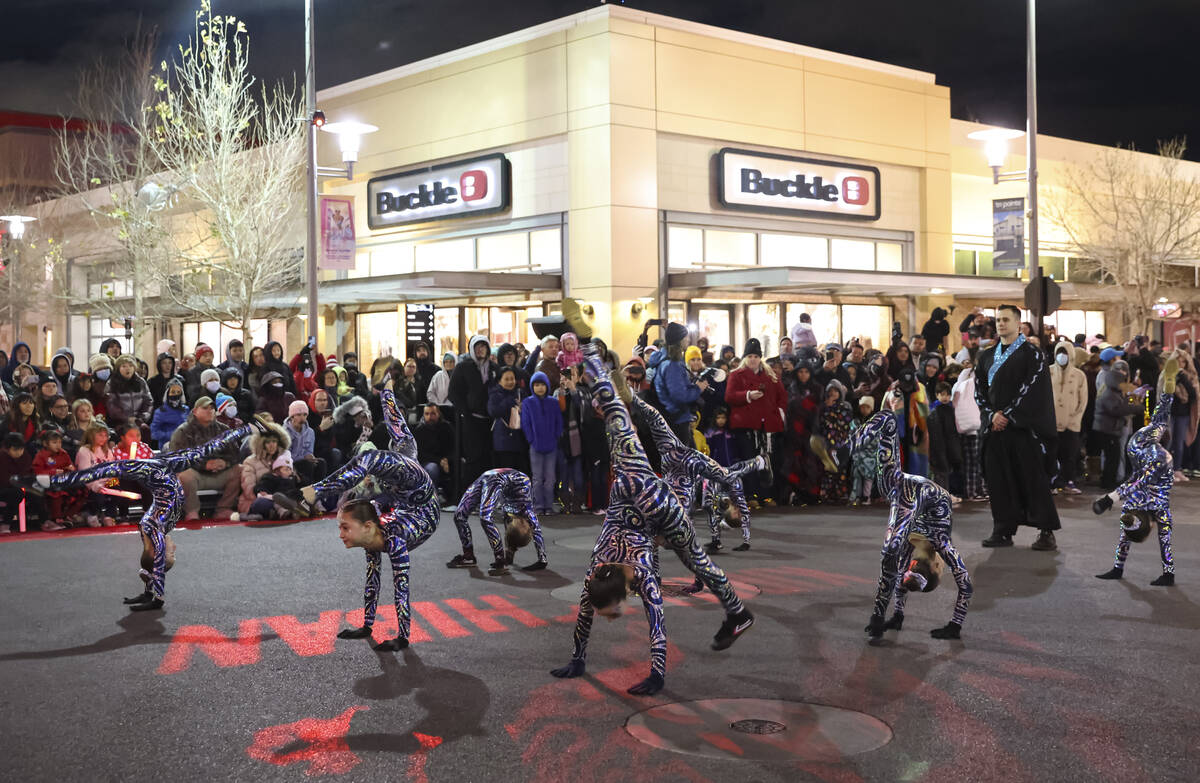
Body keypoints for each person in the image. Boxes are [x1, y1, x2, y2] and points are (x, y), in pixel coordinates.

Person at [550, 346, 754, 698]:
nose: (619, 611)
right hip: (636, 490)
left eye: (616, 607)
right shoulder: (598, 570)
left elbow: (656, 619)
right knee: (617, 417)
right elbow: (611, 400)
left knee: (695, 560)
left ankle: (738, 613)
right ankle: (736, 612)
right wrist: (590, 353)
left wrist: (658, 674)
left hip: (662, 508)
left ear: (625, 588)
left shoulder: (635, 571)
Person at [13, 418, 266, 609]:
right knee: (149, 525)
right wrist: (248, 429)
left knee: (150, 528)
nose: (174, 549)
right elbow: (214, 445)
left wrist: (38, 482)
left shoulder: (153, 515)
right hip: (164, 489)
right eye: (172, 552)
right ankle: (152, 591)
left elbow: (86, 476)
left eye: (171, 552)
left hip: (165, 495)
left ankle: (155, 593)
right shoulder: (154, 490)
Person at [852, 408, 972, 640]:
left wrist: (897, 615)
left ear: (937, 567)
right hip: (918, 494)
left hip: (910, 492)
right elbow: (965, 586)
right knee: (891, 555)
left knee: (893, 558)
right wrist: (954, 625)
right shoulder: (940, 542)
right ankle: (878, 615)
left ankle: (882, 616)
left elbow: (963, 583)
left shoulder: (921, 545)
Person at [975, 304, 1061, 550]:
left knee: (1033, 480)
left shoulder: (1032, 354)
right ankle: (1002, 529)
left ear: (1017, 323)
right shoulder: (987, 356)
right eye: (998, 320)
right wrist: (992, 415)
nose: (1001, 324)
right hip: (995, 429)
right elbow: (979, 391)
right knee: (998, 481)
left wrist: (1009, 415)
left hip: (1024, 430)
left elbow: (1033, 388)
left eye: (1005, 320)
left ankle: (1046, 531)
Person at [1092, 356, 1179, 586]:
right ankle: (1167, 392)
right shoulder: (1160, 459)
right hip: (1142, 453)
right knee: (1160, 423)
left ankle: (1119, 569)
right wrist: (1110, 498)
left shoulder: (1160, 458)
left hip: (1140, 453)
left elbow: (1136, 481)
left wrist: (1111, 498)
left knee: (1160, 423)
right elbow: (1136, 481)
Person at [330, 493, 439, 651]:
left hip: (427, 511)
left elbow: (402, 588)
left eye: (345, 528)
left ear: (367, 527)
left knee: (399, 583)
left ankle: (403, 635)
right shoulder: (370, 536)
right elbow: (372, 581)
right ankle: (368, 625)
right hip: (396, 513)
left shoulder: (395, 539)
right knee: (372, 574)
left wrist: (402, 638)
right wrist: (366, 627)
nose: (341, 535)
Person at [447, 468, 548, 570]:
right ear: (528, 526)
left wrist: (509, 552)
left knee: (478, 517)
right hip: (497, 478)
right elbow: (537, 532)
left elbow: (508, 526)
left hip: (493, 478)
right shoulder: (528, 512)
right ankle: (480, 558)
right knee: (460, 516)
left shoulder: (511, 516)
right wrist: (542, 560)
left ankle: (491, 557)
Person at [725, 338, 785, 506]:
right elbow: (729, 396)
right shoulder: (736, 375)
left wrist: (778, 413)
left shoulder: (770, 375)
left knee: (766, 461)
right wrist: (747, 395)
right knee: (749, 461)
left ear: (760, 358)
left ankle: (766, 495)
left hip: (766, 427)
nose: (753, 359)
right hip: (745, 426)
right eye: (750, 356)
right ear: (745, 357)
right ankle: (751, 495)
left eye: (756, 356)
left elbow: (782, 396)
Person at [169, 396, 244, 521]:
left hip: (220, 473)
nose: (210, 411)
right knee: (184, 474)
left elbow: (235, 454)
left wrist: (224, 463)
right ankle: (192, 511)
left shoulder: (224, 429)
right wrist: (204, 464)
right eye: (205, 408)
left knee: (240, 469)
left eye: (212, 408)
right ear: (195, 411)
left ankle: (224, 508)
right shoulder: (183, 431)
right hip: (196, 475)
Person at [448, 335, 496, 491]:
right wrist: (466, 412)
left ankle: (487, 494)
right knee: (473, 459)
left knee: (488, 458)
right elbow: (453, 392)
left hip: (491, 421)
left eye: (484, 346)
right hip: (471, 421)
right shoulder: (463, 367)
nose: (481, 349)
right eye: (477, 346)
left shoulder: (494, 368)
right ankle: (470, 495)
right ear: (472, 349)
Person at [648, 322, 708, 445]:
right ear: (679, 340)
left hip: (671, 418)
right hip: (676, 420)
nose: (688, 339)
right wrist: (697, 389)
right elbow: (679, 395)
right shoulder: (672, 365)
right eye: (686, 337)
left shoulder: (665, 361)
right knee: (685, 461)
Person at [521, 371, 561, 516]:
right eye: (536, 385)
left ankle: (548, 506)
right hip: (535, 446)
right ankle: (538, 506)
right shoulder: (527, 403)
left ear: (547, 386)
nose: (539, 388)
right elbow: (525, 423)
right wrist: (531, 439)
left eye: (542, 384)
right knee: (537, 478)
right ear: (532, 386)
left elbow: (558, 422)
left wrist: (556, 436)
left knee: (550, 478)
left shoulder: (553, 402)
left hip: (551, 446)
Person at [1050, 341, 1088, 494]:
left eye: (1065, 353)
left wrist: (1075, 419)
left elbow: (1082, 400)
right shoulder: (1049, 372)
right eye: (1059, 352)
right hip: (1051, 422)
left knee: (1069, 454)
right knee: (1052, 454)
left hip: (1071, 422)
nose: (1062, 356)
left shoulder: (1079, 375)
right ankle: (1052, 482)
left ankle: (1067, 482)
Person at [32, 427, 86, 529]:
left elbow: (70, 466)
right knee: (56, 492)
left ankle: (67, 515)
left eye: (60, 442)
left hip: (64, 481)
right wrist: (52, 472)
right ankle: (55, 519)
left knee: (83, 488)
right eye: (54, 442)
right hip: (48, 483)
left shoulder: (63, 453)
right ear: (45, 444)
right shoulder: (41, 456)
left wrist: (71, 469)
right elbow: (37, 471)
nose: (58, 445)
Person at [951, 361, 987, 502]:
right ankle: (978, 491)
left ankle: (971, 490)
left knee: (970, 463)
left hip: (964, 429)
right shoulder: (973, 385)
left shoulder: (959, 385)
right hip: (976, 428)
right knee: (978, 462)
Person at [74, 420, 119, 527]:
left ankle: (109, 515)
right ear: (91, 435)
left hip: (105, 482)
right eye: (100, 435)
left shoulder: (107, 450)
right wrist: (95, 485)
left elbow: (112, 468)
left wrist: (112, 480)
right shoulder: (84, 451)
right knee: (98, 496)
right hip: (88, 484)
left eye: (105, 435)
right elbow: (84, 473)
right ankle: (92, 514)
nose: (103, 438)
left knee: (117, 491)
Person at [487, 366, 527, 472]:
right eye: (507, 379)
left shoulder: (520, 393)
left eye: (512, 378)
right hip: (503, 441)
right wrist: (509, 401)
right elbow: (493, 411)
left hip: (519, 440)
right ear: (499, 381)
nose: (510, 382)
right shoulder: (495, 394)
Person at [927, 382, 962, 500]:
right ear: (937, 395)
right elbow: (937, 435)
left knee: (944, 472)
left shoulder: (949, 410)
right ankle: (942, 497)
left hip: (947, 447)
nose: (945, 397)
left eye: (947, 394)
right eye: (942, 394)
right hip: (939, 448)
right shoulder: (935, 412)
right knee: (941, 473)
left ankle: (943, 496)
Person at [0, 432, 41, 533]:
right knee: (17, 493)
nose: (19, 452)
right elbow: (4, 479)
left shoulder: (25, 456)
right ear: (7, 448)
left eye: (21, 449)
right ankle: (6, 523)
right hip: (3, 488)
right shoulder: (1, 457)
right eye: (15, 450)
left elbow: (28, 473)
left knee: (38, 490)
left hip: (19, 485)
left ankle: (45, 521)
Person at [105, 355, 154, 435]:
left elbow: (148, 402)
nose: (128, 369)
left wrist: (140, 418)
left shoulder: (141, 382)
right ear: (118, 368)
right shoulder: (111, 383)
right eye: (124, 366)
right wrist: (126, 419)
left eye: (131, 366)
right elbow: (111, 405)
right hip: (119, 422)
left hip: (138, 421)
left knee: (145, 430)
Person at [414, 404, 452, 502]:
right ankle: (431, 498)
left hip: (446, 459)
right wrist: (439, 461)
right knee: (432, 468)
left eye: (433, 414)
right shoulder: (419, 430)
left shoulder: (447, 427)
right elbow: (420, 454)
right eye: (427, 414)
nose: (429, 417)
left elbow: (454, 447)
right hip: (428, 461)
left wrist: (447, 459)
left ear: (438, 414)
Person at [284, 399, 326, 484]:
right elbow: (285, 456)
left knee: (321, 462)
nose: (302, 418)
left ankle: (320, 489)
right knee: (307, 465)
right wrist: (304, 458)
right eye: (298, 415)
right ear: (292, 417)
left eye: (305, 415)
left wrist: (310, 455)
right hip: (291, 463)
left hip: (304, 461)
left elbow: (309, 450)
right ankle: (307, 491)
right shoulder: (284, 433)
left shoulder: (310, 432)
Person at [150, 378, 189, 449]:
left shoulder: (185, 409)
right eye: (173, 392)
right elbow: (154, 433)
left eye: (178, 392)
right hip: (167, 446)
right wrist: (173, 434)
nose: (176, 394)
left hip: (184, 446)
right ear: (167, 393)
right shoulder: (160, 412)